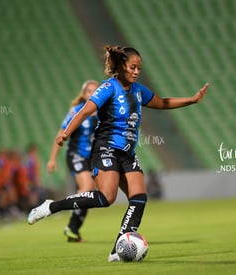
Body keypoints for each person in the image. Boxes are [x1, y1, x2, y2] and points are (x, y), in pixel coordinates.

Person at [28, 45, 209, 261]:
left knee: (139, 197)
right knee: (106, 198)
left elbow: (162, 102)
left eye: (139, 68)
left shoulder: (139, 91)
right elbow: (86, 111)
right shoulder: (108, 88)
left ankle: (117, 248)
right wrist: (65, 133)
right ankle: (51, 207)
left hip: (127, 153)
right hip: (106, 147)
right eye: (133, 67)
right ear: (122, 66)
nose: (136, 71)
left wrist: (191, 100)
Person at [47, 80, 99, 242]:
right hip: (76, 154)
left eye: (96, 91)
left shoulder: (103, 112)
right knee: (87, 187)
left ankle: (73, 229)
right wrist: (52, 159)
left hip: (92, 158)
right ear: (84, 95)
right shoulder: (76, 111)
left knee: (90, 193)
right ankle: (70, 225)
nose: (93, 93)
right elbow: (61, 133)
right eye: (89, 91)